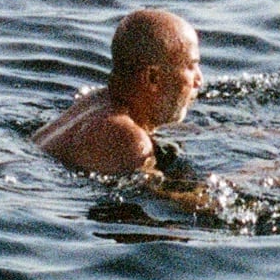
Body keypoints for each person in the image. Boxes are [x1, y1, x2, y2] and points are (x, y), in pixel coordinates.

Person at [38, 9, 203, 179]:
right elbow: (169, 198)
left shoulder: (96, 101)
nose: (199, 80)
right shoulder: (128, 140)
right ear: (153, 78)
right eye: (191, 66)